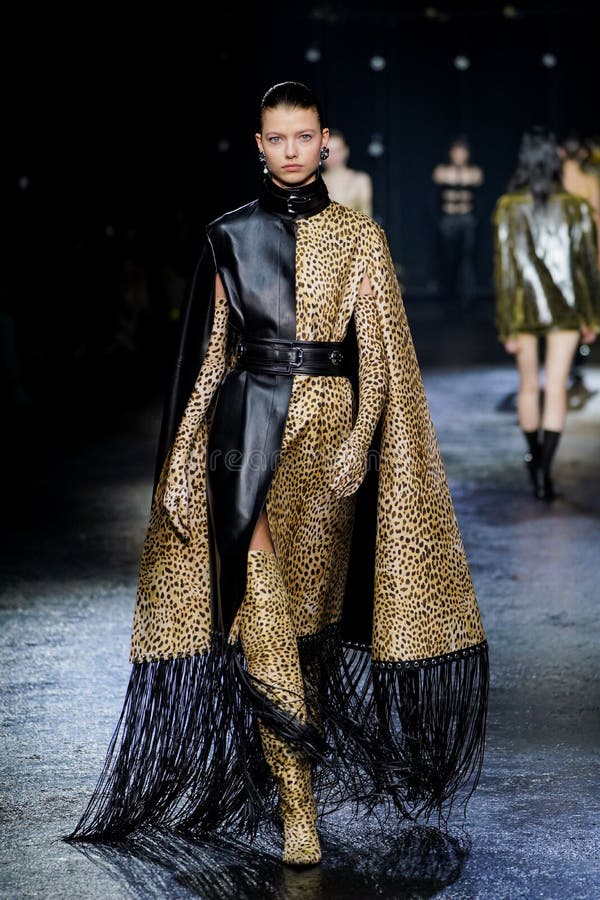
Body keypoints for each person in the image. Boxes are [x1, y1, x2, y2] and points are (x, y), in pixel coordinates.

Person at [65, 81, 488, 868]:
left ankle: (297, 772)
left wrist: (361, 439)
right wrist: (184, 462)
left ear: (324, 140)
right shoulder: (228, 236)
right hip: (246, 437)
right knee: (261, 613)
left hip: (329, 446)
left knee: (313, 637)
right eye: (276, 138)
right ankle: (298, 809)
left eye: (303, 137)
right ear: (258, 145)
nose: (291, 151)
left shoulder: (363, 237)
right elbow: (210, 358)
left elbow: (384, 359)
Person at [493, 126, 600, 502]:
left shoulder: (509, 207)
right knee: (555, 387)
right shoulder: (575, 207)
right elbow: (586, 268)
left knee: (528, 387)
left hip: (522, 310)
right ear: (552, 159)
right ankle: (545, 471)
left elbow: (505, 272)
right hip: (567, 309)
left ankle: (534, 460)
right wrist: (592, 318)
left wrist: (506, 326)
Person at [432, 136, 484, 321]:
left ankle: (467, 298)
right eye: (456, 151)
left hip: (467, 219)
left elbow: (476, 184)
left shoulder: (474, 172)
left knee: (467, 260)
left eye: (463, 151)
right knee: (448, 260)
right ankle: (448, 297)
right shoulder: (442, 171)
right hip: (448, 220)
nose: (459, 155)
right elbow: (437, 194)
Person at [321, 129, 373, 215]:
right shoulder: (313, 182)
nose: (332, 156)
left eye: (337, 151)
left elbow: (367, 217)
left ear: (346, 151)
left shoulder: (360, 180)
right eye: (327, 151)